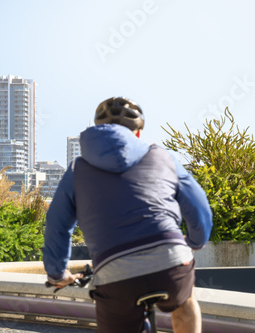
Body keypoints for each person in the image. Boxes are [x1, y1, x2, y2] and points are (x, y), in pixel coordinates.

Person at [43, 97, 213, 333]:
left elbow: (57, 225)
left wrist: (57, 273)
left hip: (115, 275)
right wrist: (195, 241)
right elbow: (198, 205)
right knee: (184, 303)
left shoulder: (76, 169)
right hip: (171, 261)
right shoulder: (164, 156)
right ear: (139, 133)